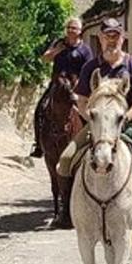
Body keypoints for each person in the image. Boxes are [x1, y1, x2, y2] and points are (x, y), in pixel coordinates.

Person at [54, 18, 132, 233]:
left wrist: (126, 117)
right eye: (107, 36)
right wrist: (91, 119)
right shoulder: (90, 67)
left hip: (131, 124)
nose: (112, 40)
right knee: (64, 160)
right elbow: (81, 100)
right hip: (99, 127)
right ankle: (65, 212)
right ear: (100, 38)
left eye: (116, 36)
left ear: (122, 38)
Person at [30, 16, 93, 158]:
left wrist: (79, 88)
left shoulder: (85, 50)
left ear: (80, 31)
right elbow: (45, 58)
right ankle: (39, 145)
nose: (71, 30)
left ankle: (89, 141)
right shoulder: (59, 43)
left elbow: (88, 71)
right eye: (69, 27)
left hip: (75, 87)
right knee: (40, 108)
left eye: (74, 28)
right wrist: (56, 51)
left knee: (85, 113)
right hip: (56, 86)